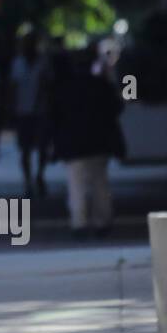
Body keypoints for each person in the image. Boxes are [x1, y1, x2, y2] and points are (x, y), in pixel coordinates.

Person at [48, 45, 125, 238]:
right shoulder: (101, 85)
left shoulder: (65, 88)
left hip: (74, 144)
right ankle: (102, 221)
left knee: (77, 185)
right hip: (99, 141)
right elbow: (116, 108)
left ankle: (79, 223)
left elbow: (54, 116)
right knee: (100, 183)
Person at [9, 32, 47, 198]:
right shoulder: (18, 63)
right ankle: (28, 180)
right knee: (25, 149)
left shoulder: (42, 62)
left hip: (39, 111)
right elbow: (13, 87)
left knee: (42, 147)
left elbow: (47, 85)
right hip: (23, 111)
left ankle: (39, 175)